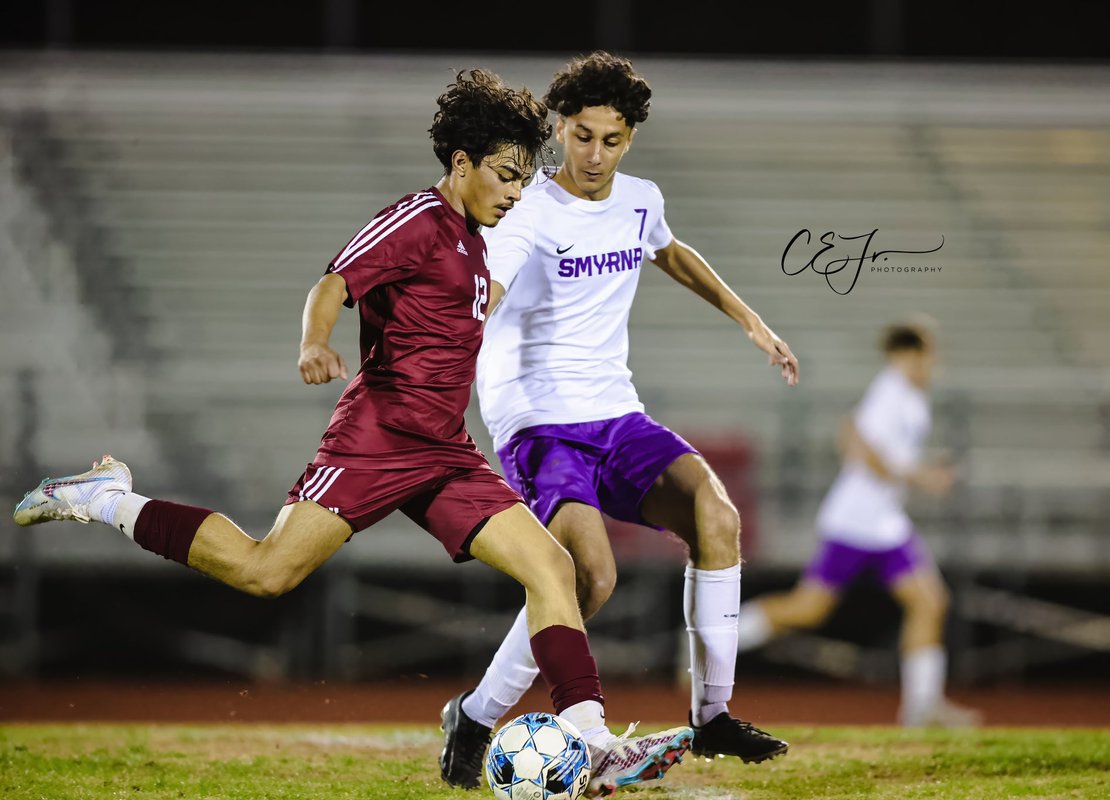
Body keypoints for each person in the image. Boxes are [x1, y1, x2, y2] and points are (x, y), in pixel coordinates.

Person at [13, 69, 692, 797]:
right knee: (265, 570)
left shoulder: (477, 238)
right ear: (460, 163)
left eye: (524, 179)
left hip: (444, 451)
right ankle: (107, 498)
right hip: (376, 438)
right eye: (504, 175)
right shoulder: (416, 220)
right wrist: (314, 342)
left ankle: (588, 742)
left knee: (554, 569)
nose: (515, 192)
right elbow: (332, 282)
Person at [438, 52, 795, 789]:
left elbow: (669, 250)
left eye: (611, 138)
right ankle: (477, 717)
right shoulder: (527, 208)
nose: (594, 154)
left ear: (629, 138)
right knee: (586, 577)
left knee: (714, 514)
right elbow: (491, 285)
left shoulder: (640, 199)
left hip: (615, 411)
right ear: (558, 130)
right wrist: (443, 367)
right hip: (537, 419)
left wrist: (748, 318)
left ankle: (713, 715)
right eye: (580, 134)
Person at [738, 319, 982, 728]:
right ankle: (712, 642)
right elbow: (859, 442)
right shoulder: (892, 390)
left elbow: (853, 431)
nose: (932, 363)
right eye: (926, 354)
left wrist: (913, 472)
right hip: (856, 521)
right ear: (909, 355)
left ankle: (922, 708)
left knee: (929, 601)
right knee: (807, 610)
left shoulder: (906, 395)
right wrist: (923, 477)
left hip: (884, 523)